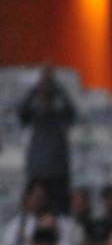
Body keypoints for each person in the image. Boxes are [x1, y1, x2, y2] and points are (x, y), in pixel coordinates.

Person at [18, 66, 76, 212]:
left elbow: (71, 110)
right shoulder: (33, 115)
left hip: (58, 173)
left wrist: (54, 84)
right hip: (37, 173)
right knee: (33, 212)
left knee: (60, 211)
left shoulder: (60, 114)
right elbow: (21, 110)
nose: (45, 94)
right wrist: (37, 87)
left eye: (48, 91)